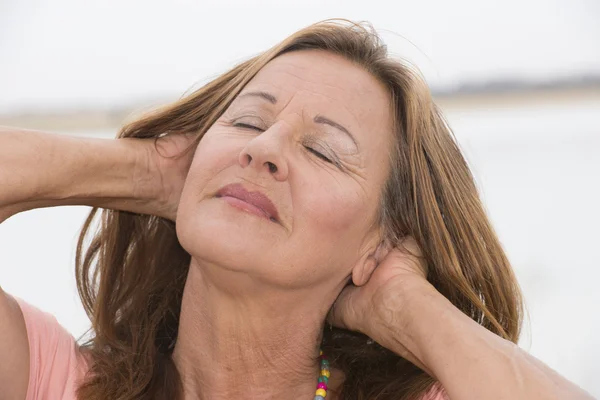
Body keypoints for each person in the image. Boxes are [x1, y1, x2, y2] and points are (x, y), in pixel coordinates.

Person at [0, 19, 593, 400]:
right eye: (247, 122)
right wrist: (145, 173)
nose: (264, 150)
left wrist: (403, 305)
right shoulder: (53, 381)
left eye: (323, 151)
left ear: (378, 244)